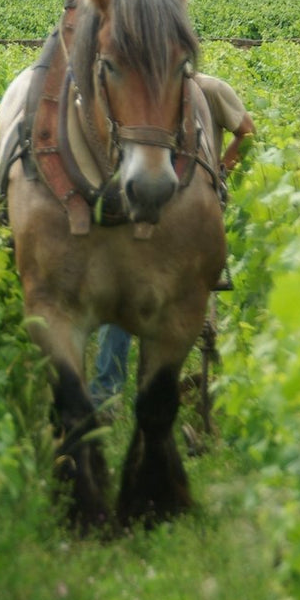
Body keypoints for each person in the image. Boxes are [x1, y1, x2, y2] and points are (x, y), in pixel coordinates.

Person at [89, 73, 255, 406]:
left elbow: (247, 133)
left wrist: (221, 171)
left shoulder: (211, 90)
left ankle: (118, 390)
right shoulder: (149, 93)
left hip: (190, 208)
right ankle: (109, 391)